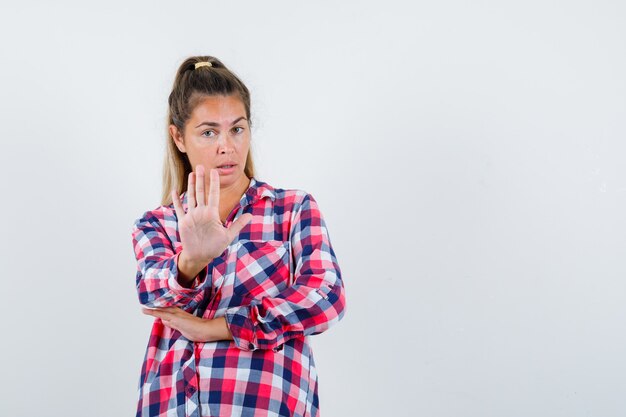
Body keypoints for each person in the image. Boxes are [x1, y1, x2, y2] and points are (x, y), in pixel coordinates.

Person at [130, 56, 347, 417]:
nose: (227, 147)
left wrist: (217, 327)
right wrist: (192, 260)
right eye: (209, 132)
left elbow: (326, 297)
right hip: (175, 403)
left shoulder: (291, 210)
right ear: (179, 137)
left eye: (237, 129)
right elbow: (152, 294)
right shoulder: (158, 224)